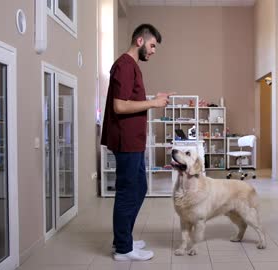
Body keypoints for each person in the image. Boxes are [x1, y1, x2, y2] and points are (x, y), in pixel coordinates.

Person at [101, 23, 173, 261]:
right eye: (152, 45)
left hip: (135, 142)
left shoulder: (133, 67)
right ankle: (123, 248)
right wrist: (153, 103)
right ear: (140, 41)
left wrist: (153, 99)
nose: (153, 51)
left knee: (139, 188)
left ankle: (124, 238)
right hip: (127, 142)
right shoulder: (124, 65)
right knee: (127, 192)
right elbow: (119, 106)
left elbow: (130, 101)